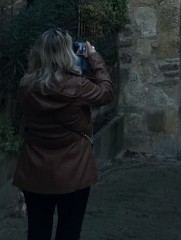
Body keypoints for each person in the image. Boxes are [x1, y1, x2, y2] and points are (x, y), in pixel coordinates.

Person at [13, 28, 114, 240]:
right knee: (69, 231)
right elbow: (106, 92)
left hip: (35, 170)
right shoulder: (78, 86)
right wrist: (94, 58)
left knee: (37, 231)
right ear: (67, 53)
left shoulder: (25, 86)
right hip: (74, 171)